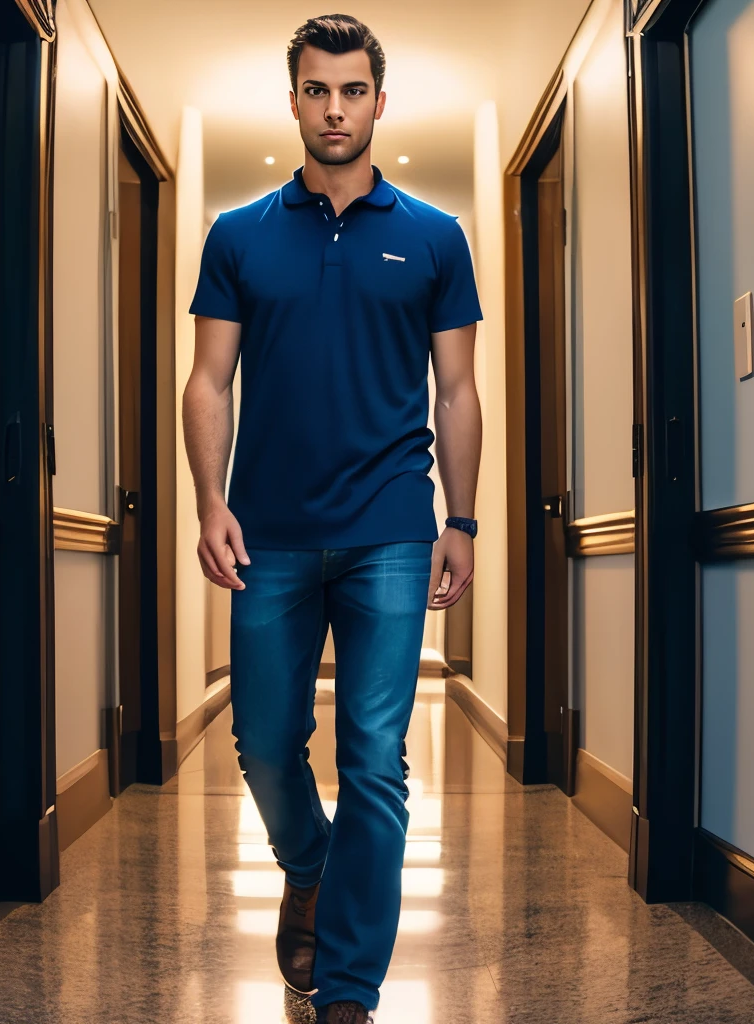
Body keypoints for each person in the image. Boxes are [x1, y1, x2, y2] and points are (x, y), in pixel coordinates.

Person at [182, 14, 483, 1023]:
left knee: (374, 754)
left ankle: (348, 989)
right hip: (264, 529)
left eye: (352, 91)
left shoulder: (436, 237)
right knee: (264, 740)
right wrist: (209, 501)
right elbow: (207, 382)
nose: (335, 108)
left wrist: (463, 520)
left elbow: (457, 392)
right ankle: (307, 864)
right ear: (295, 101)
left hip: (391, 528)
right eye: (316, 90)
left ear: (378, 102)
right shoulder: (237, 235)